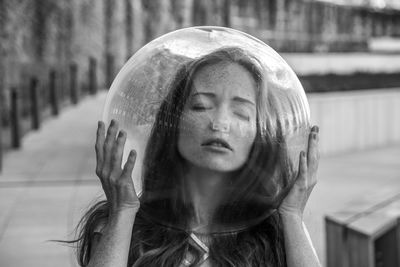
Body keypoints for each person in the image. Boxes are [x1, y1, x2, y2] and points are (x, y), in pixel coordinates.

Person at [71, 47, 321, 267]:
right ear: (175, 121)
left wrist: (292, 217)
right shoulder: (121, 223)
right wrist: (122, 212)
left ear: (259, 136)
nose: (220, 123)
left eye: (241, 114)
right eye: (201, 106)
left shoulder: (274, 233)